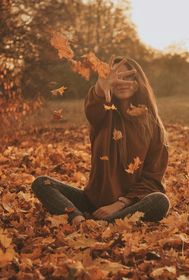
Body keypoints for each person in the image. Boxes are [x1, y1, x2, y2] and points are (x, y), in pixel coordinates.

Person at [31, 55, 170, 228]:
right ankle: (79, 220)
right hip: (92, 202)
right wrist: (100, 88)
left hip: (128, 206)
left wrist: (119, 204)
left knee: (160, 201)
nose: (122, 82)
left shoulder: (152, 125)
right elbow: (92, 109)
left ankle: (103, 224)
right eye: (117, 77)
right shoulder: (105, 112)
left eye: (128, 77)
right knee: (42, 183)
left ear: (139, 82)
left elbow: (153, 179)